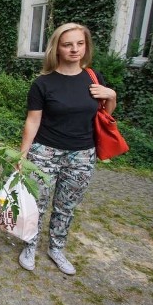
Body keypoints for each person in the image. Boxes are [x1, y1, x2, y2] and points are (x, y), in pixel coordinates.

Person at [18, 22, 117, 275]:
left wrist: (111, 96)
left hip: (82, 154)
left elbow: (105, 116)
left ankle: (56, 248)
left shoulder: (94, 79)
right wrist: (23, 155)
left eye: (80, 43)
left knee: (66, 206)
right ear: (57, 49)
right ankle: (30, 245)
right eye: (68, 44)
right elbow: (33, 120)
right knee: (37, 203)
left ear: (86, 46)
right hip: (45, 152)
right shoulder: (43, 83)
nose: (75, 49)